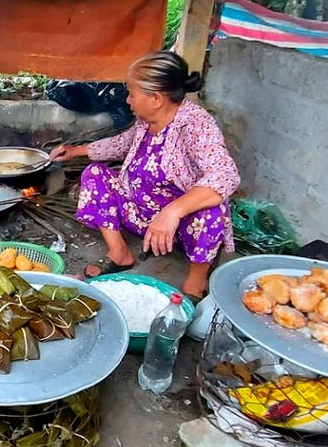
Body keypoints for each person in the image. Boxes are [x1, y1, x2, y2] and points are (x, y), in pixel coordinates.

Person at [49, 51, 240, 297]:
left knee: (214, 211)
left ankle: (195, 283)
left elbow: (225, 175)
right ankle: (119, 253)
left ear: (156, 98)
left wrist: (172, 212)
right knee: (94, 174)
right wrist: (76, 151)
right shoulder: (146, 120)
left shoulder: (196, 124)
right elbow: (122, 143)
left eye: (131, 93)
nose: (127, 100)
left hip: (179, 227)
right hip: (143, 215)